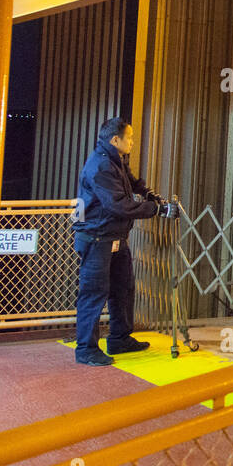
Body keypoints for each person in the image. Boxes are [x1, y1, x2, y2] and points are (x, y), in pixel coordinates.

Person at [71, 117, 171, 366]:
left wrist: (149, 194)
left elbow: (132, 182)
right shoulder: (101, 166)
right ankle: (85, 349)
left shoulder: (116, 160)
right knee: (94, 293)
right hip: (97, 236)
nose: (133, 142)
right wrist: (156, 210)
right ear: (116, 140)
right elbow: (119, 205)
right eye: (130, 137)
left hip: (114, 236)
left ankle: (120, 338)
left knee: (123, 288)